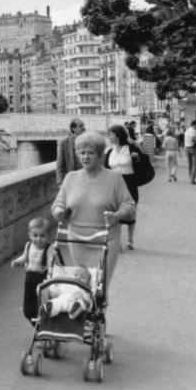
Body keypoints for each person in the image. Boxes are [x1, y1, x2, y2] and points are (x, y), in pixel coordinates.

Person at [51, 130, 136, 305]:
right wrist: (59, 211)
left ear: (100, 155)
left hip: (105, 240)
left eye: (91, 153)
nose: (86, 157)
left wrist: (116, 215)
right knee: (81, 284)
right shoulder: (71, 178)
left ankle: (99, 321)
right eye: (82, 153)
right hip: (77, 240)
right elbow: (57, 203)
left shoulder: (114, 178)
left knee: (100, 286)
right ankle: (83, 322)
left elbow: (129, 206)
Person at [10, 216, 58, 323]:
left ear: (48, 236)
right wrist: (18, 262)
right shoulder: (28, 246)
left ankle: (42, 323)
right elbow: (25, 257)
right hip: (30, 278)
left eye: (42, 236)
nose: (38, 239)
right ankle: (33, 318)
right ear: (30, 235)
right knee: (28, 302)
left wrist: (51, 274)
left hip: (43, 278)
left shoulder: (50, 248)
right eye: (35, 235)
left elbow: (51, 263)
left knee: (41, 302)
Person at [104, 123, 141, 251]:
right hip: (114, 183)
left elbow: (143, 160)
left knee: (130, 210)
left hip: (129, 182)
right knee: (115, 212)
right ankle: (117, 242)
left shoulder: (130, 148)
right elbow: (105, 168)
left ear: (118, 135)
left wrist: (137, 158)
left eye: (111, 134)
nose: (109, 137)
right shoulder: (109, 151)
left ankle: (130, 240)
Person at [55, 118, 85, 185]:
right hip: (72, 181)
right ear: (74, 129)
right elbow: (60, 164)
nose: (84, 128)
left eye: (83, 126)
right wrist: (60, 182)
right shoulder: (64, 143)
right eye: (81, 126)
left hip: (86, 179)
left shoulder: (88, 141)